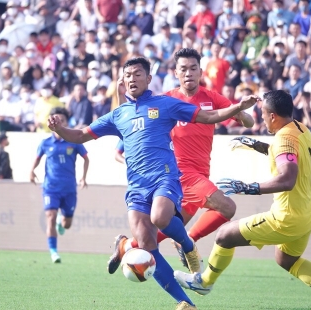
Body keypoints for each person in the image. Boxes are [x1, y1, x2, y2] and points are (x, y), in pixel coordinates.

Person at [47, 57, 259, 310]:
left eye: (138, 74)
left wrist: (237, 109)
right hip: (137, 188)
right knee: (148, 247)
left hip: (166, 177)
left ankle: (188, 245)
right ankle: (185, 302)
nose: (132, 78)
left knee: (161, 217)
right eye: (128, 75)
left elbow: (208, 116)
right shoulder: (118, 115)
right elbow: (81, 135)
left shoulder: (166, 104)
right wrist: (60, 130)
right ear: (123, 82)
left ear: (148, 79)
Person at [173, 90, 311, 310]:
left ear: (273, 117)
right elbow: (285, 154)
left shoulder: (283, 138)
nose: (260, 117)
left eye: (263, 113)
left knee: (224, 235)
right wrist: (255, 145)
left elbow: (287, 178)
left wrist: (248, 188)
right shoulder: (300, 129)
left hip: (287, 217)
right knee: (286, 260)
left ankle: (204, 282)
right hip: (309, 212)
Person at [108, 48, 254, 274]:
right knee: (227, 207)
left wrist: (241, 112)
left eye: (193, 68)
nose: (188, 73)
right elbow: (130, 130)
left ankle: (126, 245)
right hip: (179, 173)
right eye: (183, 69)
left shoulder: (212, 98)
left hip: (201, 173)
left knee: (165, 229)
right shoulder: (165, 101)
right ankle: (188, 244)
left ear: (200, 72)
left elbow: (248, 122)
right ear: (176, 73)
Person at [30, 108, 89, 263]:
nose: (59, 122)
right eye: (56, 119)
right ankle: (54, 252)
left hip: (69, 188)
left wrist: (83, 177)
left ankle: (61, 221)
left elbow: (86, 158)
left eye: (62, 120)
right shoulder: (45, 143)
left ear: (66, 122)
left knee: (66, 224)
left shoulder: (74, 141)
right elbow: (37, 158)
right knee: (50, 216)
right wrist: (31, 171)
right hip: (50, 188)